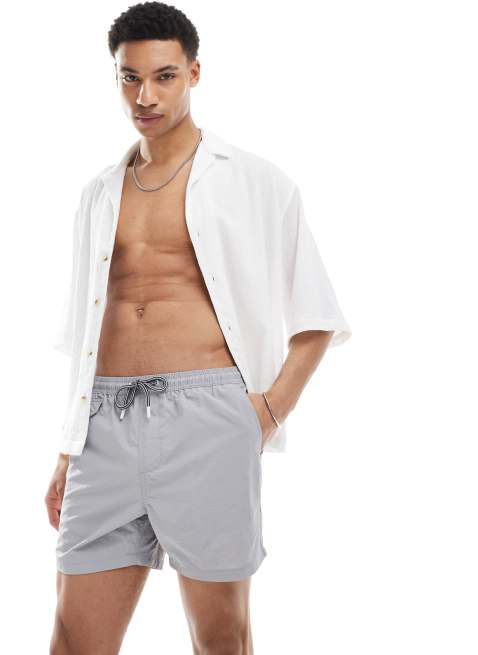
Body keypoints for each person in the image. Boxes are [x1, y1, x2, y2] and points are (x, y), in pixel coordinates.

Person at [46, 2, 352, 653]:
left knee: (220, 638)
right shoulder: (98, 193)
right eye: (130, 78)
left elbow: (316, 318)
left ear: (193, 73)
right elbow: (85, 336)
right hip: (103, 425)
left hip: (208, 417)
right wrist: (69, 448)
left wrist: (263, 413)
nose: (145, 96)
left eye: (163, 76)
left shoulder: (256, 181)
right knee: (73, 639)